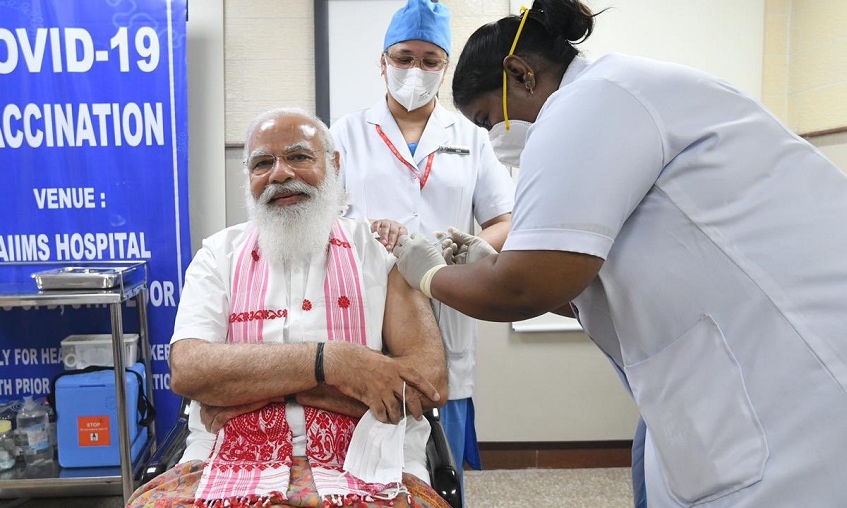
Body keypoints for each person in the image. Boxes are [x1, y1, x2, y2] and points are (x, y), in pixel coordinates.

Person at [391, 0, 847, 506]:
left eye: (488, 120)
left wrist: (429, 272)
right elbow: (583, 281)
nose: (495, 139)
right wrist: (487, 265)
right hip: (710, 363)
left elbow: (524, 288)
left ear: (520, 74)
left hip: (788, 378)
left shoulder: (590, 102)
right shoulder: (616, 94)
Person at [127, 107, 451, 508]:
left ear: (333, 164)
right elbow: (190, 370)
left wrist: (254, 388)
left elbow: (427, 381)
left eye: (299, 156)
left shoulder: (383, 252)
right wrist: (336, 363)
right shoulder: (217, 255)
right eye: (263, 163)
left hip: (368, 459)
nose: (280, 174)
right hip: (227, 458)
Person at [330, 0, 516, 493]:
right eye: (404, 57)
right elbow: (324, 220)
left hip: (449, 297)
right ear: (383, 60)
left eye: (430, 60)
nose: (416, 70)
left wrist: (465, 244)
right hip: (369, 299)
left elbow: (505, 218)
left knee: (441, 447)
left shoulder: (470, 136)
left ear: (445, 66)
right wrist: (367, 232)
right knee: (369, 439)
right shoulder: (346, 133)